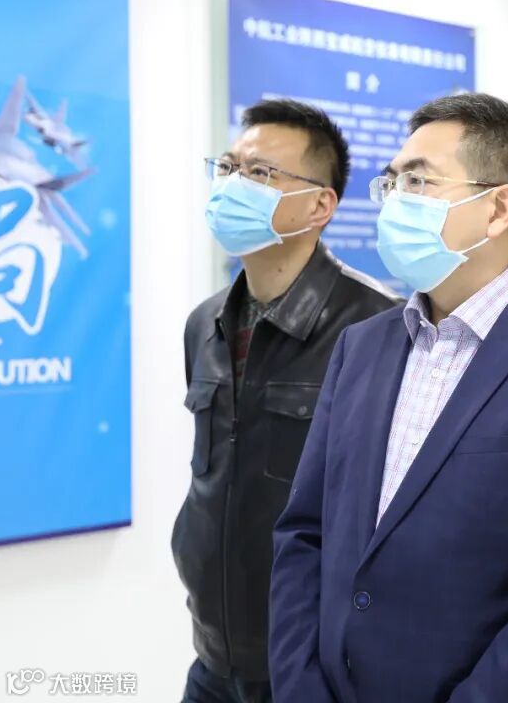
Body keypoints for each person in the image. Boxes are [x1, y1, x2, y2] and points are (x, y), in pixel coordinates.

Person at [269, 93, 508, 703]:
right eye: (392, 182)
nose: (395, 200)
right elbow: (304, 534)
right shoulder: (361, 347)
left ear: (498, 208)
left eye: (419, 181)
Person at [171, 98, 398, 703]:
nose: (233, 185)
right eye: (228, 167)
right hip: (215, 654)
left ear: (321, 205)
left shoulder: (379, 328)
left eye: (260, 173)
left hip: (315, 665)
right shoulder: (205, 323)